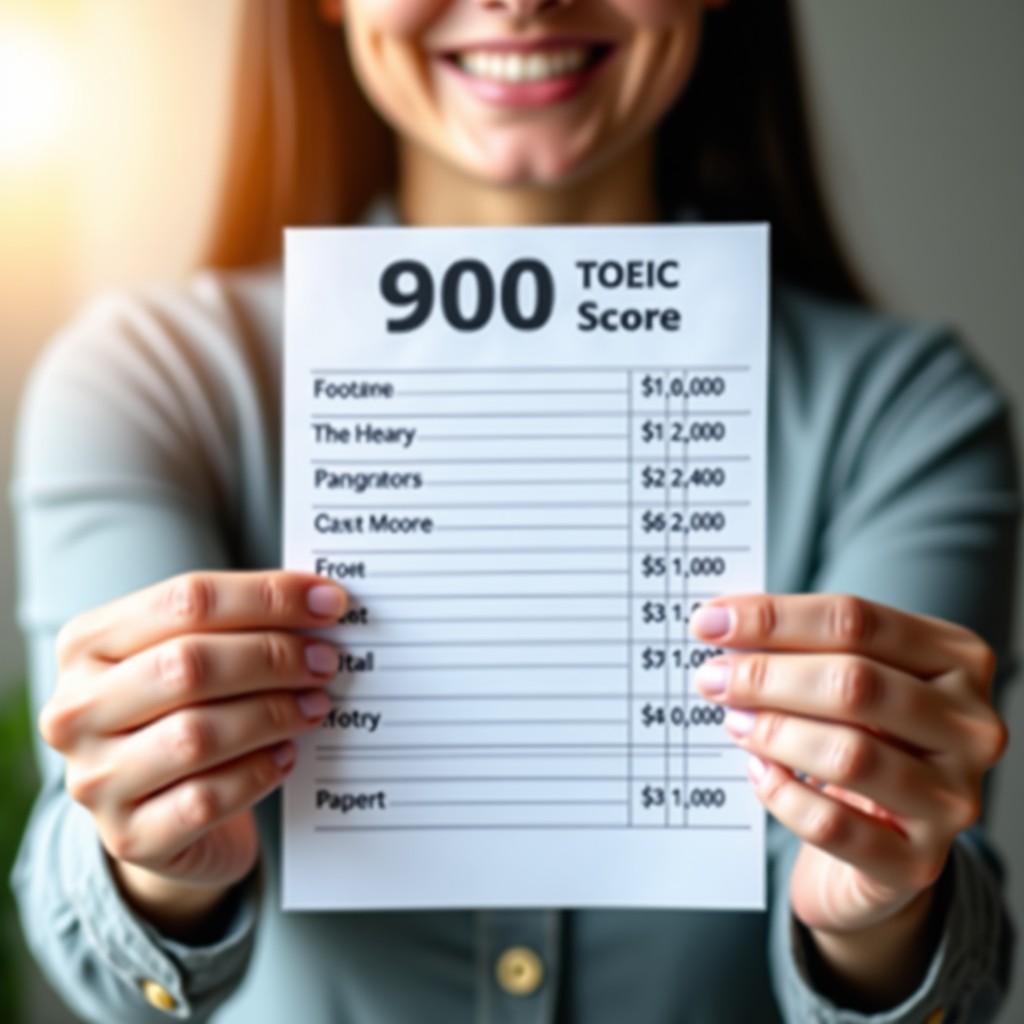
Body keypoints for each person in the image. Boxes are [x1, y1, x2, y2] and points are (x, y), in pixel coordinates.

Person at [10, 1, 1019, 1021]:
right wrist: (160, 867)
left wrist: (878, 913)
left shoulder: (906, 413)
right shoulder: (145, 382)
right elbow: (111, 981)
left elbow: (946, 967)